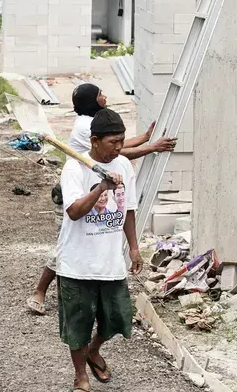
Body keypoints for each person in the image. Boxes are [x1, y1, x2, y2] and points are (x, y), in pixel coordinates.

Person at [26, 83, 176, 315]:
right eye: (99, 95)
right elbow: (121, 151)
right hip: (76, 192)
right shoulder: (85, 127)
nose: (104, 97)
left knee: (92, 241)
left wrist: (145, 138)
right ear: (95, 140)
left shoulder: (97, 124)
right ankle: (41, 291)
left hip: (99, 193)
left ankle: (88, 296)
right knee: (66, 246)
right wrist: (151, 147)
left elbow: (117, 147)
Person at [55, 108, 142, 392]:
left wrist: (134, 248)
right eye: (113, 142)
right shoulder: (75, 168)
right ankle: (80, 376)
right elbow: (74, 211)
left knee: (118, 317)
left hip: (110, 262)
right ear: (94, 141)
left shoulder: (124, 165)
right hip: (77, 263)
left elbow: (129, 209)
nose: (119, 147)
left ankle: (94, 350)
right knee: (77, 323)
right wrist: (101, 186)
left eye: (122, 141)